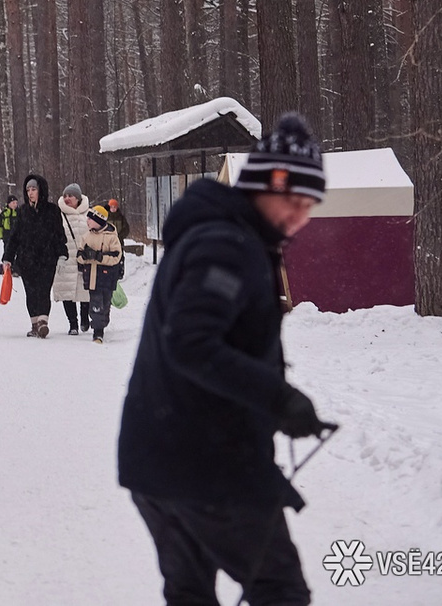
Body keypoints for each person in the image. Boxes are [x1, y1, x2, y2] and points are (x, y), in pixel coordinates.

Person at [118, 113, 331, 606]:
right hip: (206, 465)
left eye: (310, 205)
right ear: (263, 187)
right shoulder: (226, 245)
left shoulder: (216, 234)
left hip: (156, 461)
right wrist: (278, 398)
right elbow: (192, 343)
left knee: (189, 594)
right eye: (293, 200)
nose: (301, 216)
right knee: (280, 591)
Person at [1, 175, 66, 338]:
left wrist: (62, 255)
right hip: (26, 260)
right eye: (28, 190)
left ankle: (43, 322)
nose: (30, 193)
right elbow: (14, 237)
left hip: (47, 259)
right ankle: (34, 323)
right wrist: (7, 258)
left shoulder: (52, 211)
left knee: (44, 291)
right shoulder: (23, 212)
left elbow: (59, 235)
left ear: (41, 190)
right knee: (31, 293)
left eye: (34, 189)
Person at [76, 205, 123, 343]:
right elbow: (78, 255)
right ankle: (98, 332)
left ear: (98, 220)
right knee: (95, 304)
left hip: (107, 278)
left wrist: (99, 256)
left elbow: (116, 256)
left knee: (105, 303)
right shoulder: (86, 236)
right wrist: (84, 256)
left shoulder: (112, 237)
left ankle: (103, 321)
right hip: (92, 278)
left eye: (90, 218)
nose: (87, 221)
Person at [53, 183, 91, 335]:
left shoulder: (88, 213)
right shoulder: (58, 214)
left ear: (78, 198)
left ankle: (84, 318)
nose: (67, 198)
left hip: (85, 259)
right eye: (65, 196)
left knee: (86, 290)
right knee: (66, 291)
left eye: (71, 196)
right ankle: (72, 323)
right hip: (65, 258)